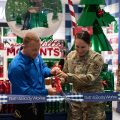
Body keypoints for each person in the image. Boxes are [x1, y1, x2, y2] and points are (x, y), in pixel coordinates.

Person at [8, 32, 60, 120]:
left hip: (39, 102)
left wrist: (51, 71)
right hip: (25, 106)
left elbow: (42, 68)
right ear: (25, 46)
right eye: (34, 50)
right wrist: (46, 92)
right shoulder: (16, 67)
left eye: (38, 49)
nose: (37, 52)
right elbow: (26, 93)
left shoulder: (35, 55)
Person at [58, 31, 106, 120]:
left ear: (90, 44)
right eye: (77, 46)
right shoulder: (70, 56)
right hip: (76, 102)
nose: (79, 50)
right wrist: (60, 80)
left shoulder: (97, 58)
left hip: (93, 103)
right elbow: (64, 74)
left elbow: (90, 79)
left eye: (83, 47)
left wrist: (68, 77)